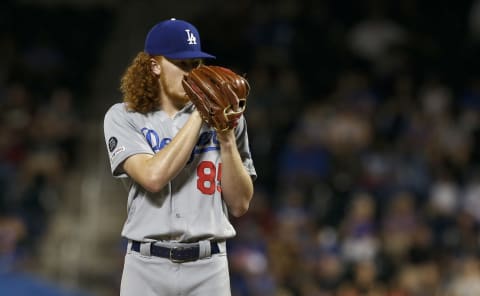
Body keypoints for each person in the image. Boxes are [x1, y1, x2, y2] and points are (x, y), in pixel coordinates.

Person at [103, 18, 256, 295]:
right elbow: (153, 177)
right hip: (145, 266)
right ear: (155, 65)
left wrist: (226, 138)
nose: (191, 73)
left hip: (208, 267)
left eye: (194, 64)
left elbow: (240, 204)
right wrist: (200, 112)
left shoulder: (227, 117)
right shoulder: (124, 117)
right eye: (180, 64)